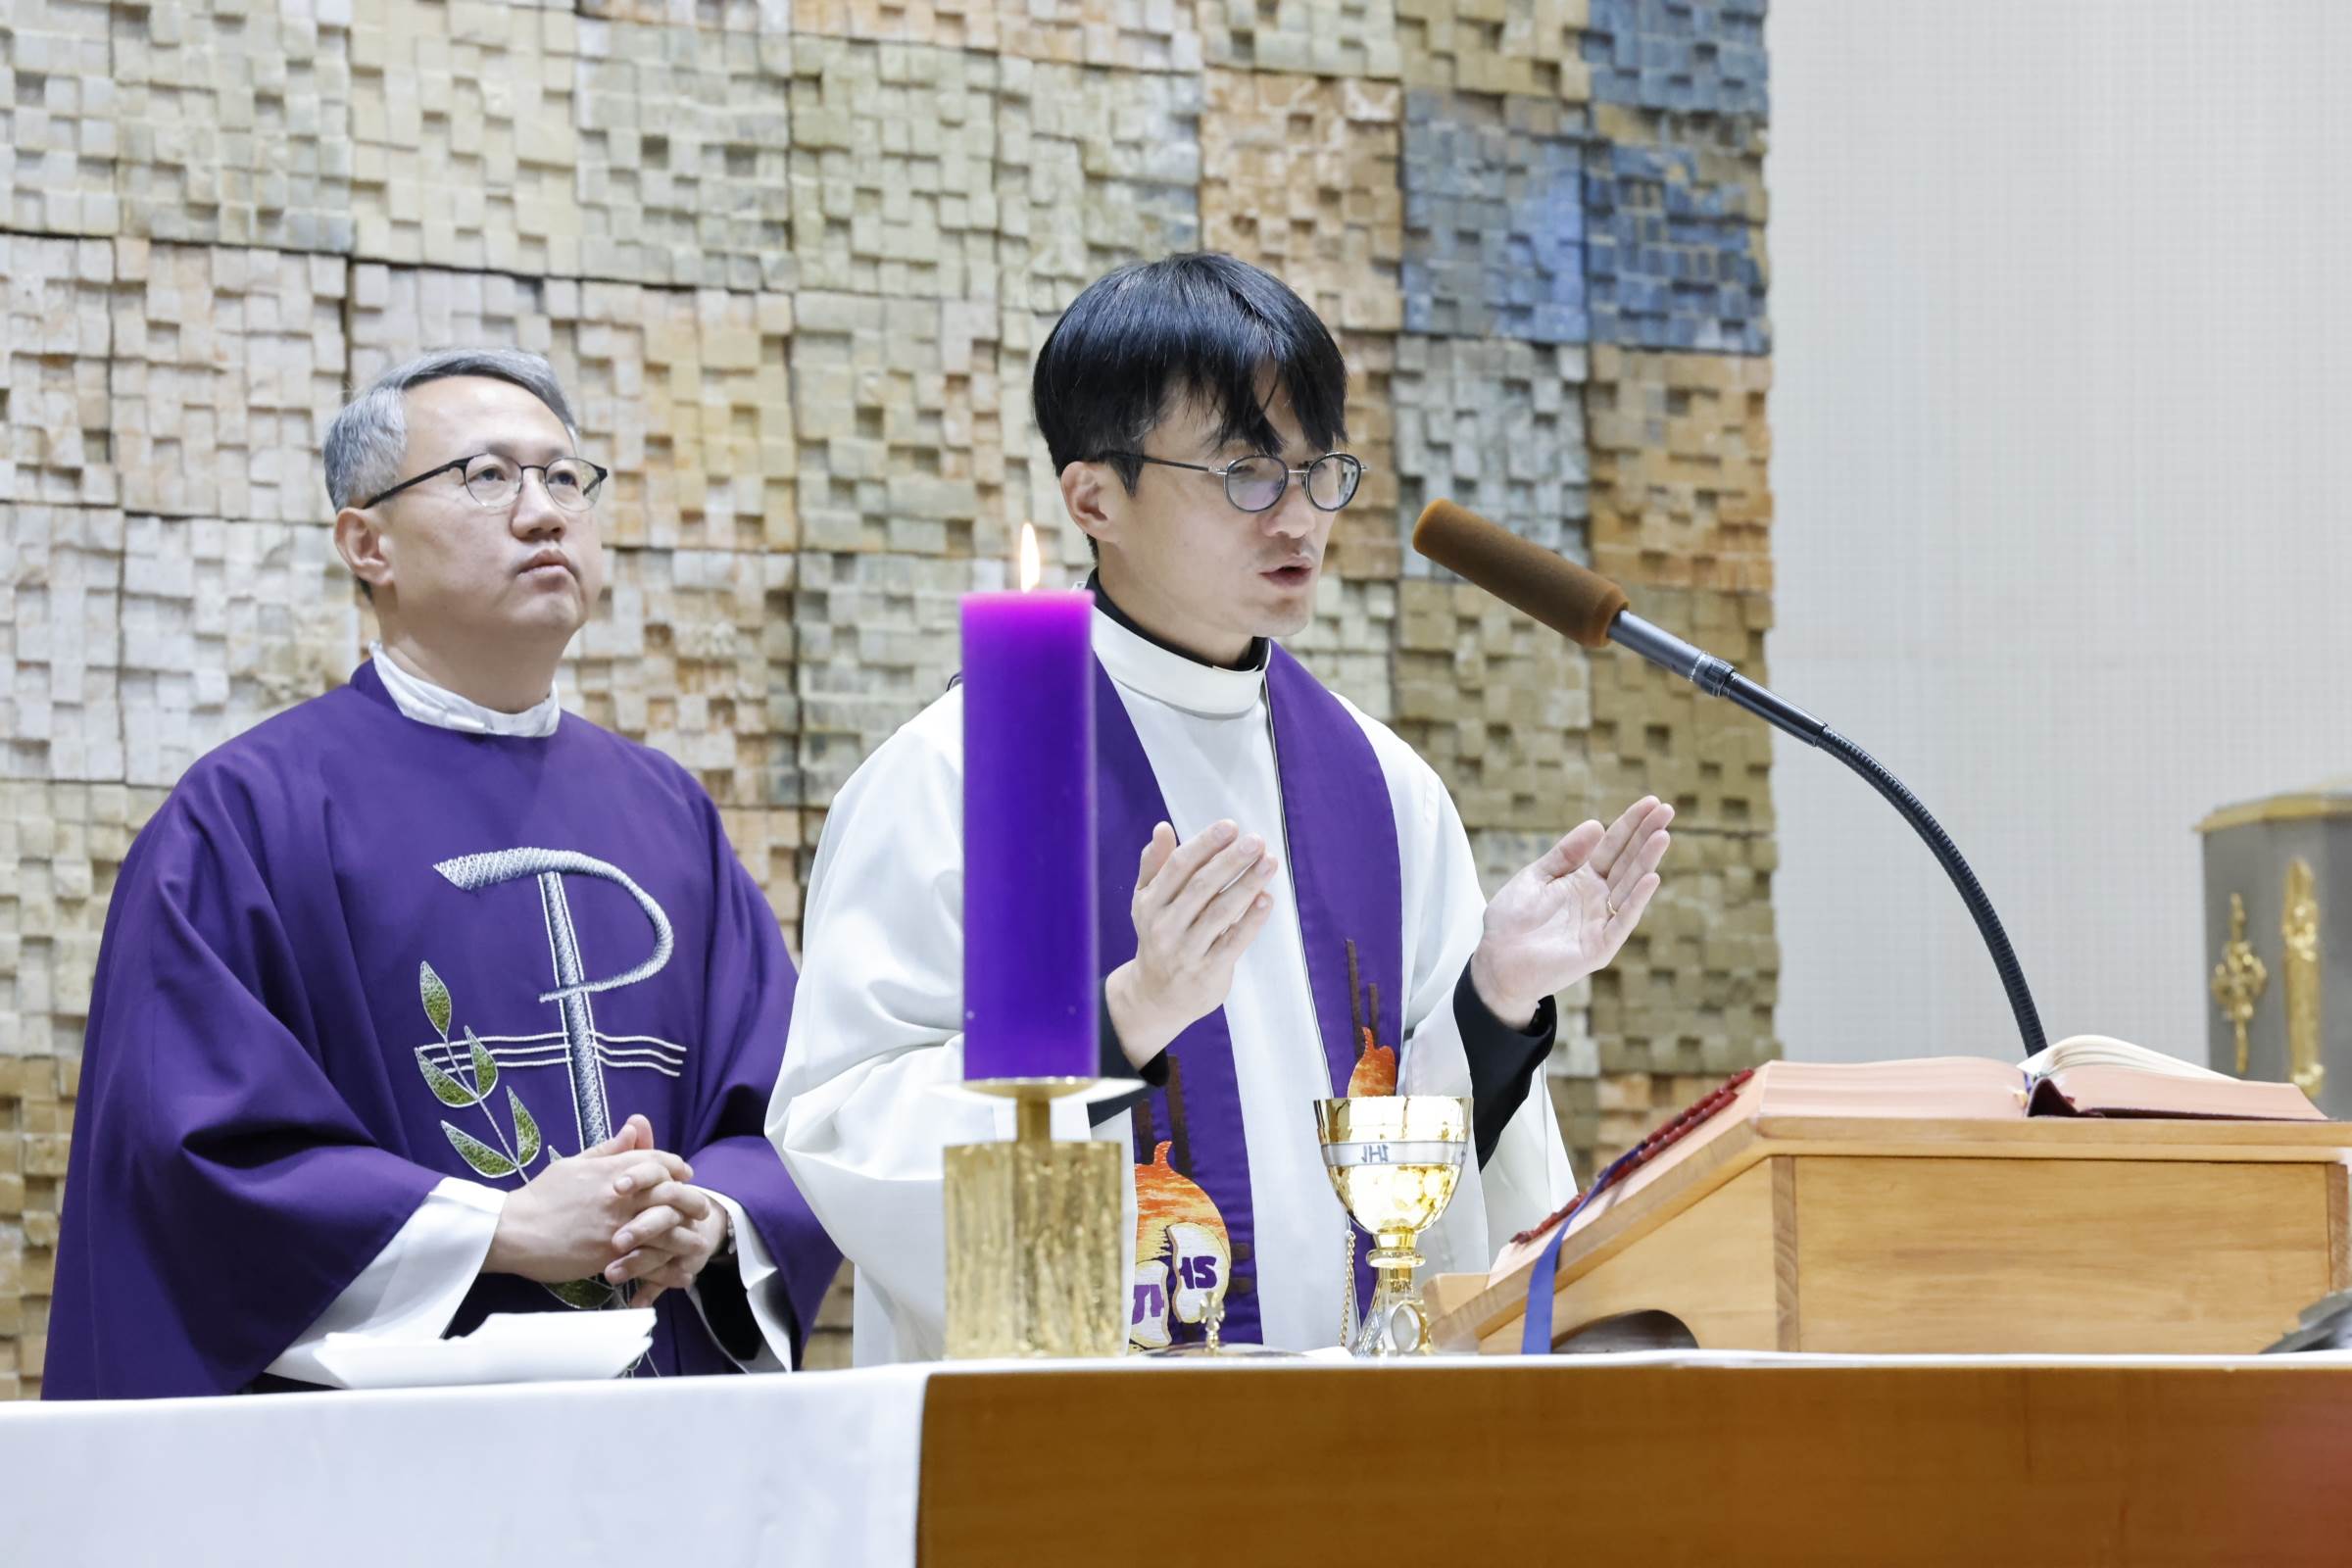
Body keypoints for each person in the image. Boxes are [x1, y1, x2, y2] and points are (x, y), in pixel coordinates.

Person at [771, 255, 1672, 1361]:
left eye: (1319, 470)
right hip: (1082, 1441)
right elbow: (848, 1128)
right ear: (1095, 499)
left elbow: (1412, 1182)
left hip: (1347, 1435)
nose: (1299, 518)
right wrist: (1123, 1019)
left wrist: (1497, 997)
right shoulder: (971, 775)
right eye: (1247, 472)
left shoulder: (1384, 787)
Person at [45, 350, 838, 1397]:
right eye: (488, 475)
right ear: (366, 543)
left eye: (565, 478)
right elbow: (189, 1161)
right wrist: (500, 1229)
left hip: (666, 1433)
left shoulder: (667, 812)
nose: (544, 512)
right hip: (382, 1446)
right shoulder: (245, 816)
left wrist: (715, 1220)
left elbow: (785, 1102)